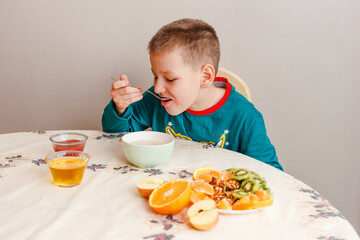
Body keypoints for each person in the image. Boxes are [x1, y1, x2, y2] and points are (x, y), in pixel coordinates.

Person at [102, 18, 283, 171]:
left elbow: (271, 173)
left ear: (205, 77)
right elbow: (115, 134)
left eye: (170, 79)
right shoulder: (156, 101)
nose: (157, 88)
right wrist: (120, 107)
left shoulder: (244, 117)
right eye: (155, 76)